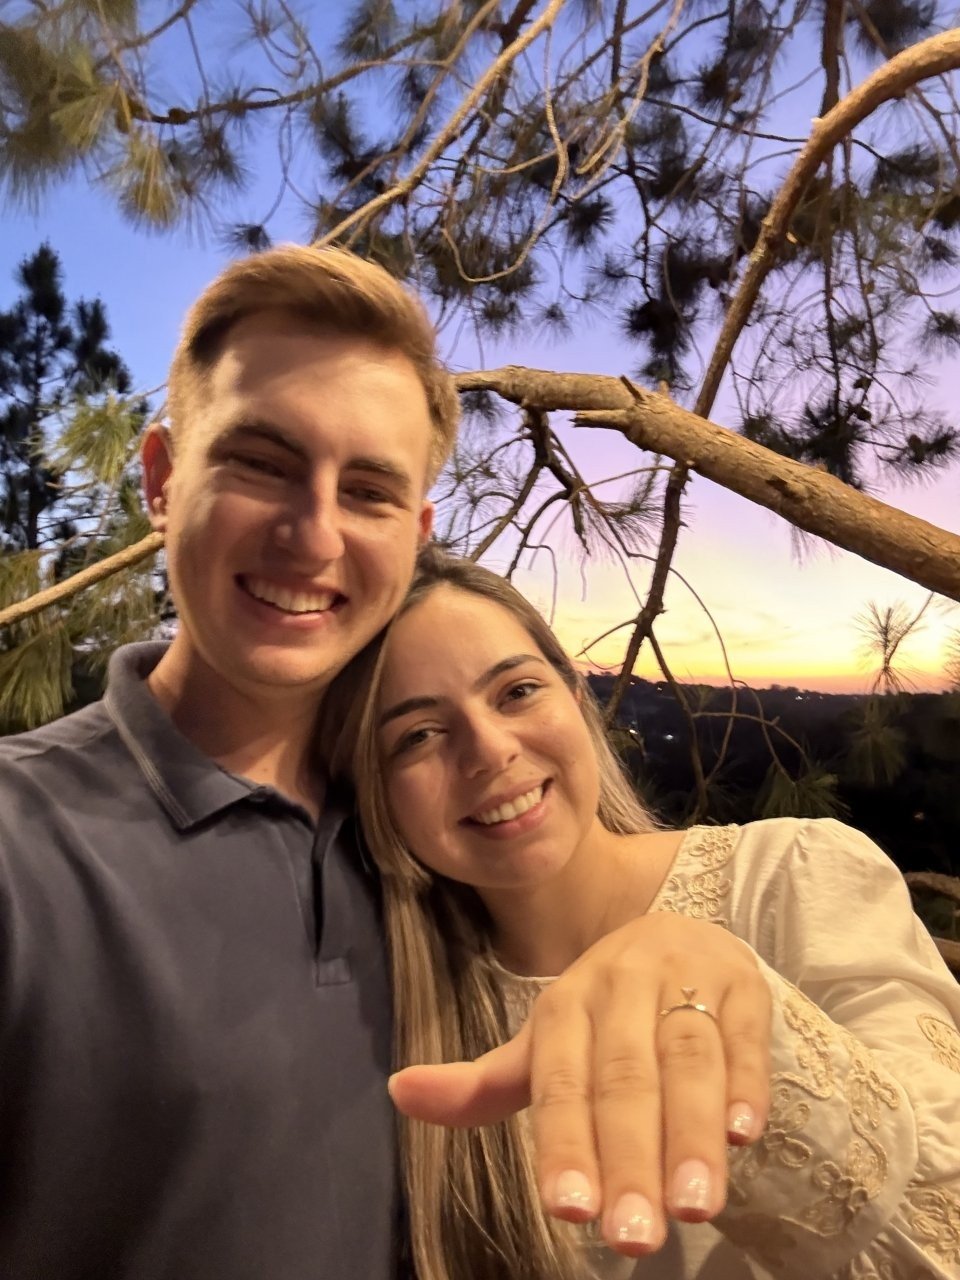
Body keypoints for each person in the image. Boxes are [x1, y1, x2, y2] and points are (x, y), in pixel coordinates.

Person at [0, 244, 767, 1278]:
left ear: (415, 533)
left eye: (366, 490)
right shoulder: (20, 845)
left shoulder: (434, 832)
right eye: (260, 463)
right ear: (162, 479)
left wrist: (692, 951)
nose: (313, 535)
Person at [323, 546, 960, 1280]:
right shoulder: (403, 1017)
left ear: (577, 698)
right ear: (375, 793)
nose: (490, 751)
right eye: (417, 736)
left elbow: (943, 1226)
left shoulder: (792, 877)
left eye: (517, 691)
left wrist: (754, 1023)